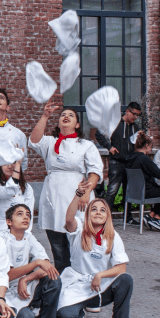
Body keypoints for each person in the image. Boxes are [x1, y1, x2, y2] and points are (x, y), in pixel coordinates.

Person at [29, 101, 103, 273]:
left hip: (77, 196)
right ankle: (62, 278)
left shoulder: (86, 145)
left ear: (77, 124)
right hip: (53, 196)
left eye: (71, 115)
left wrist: (86, 192)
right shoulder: (50, 142)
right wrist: (45, 116)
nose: (66, 117)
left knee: (80, 241)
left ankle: (83, 277)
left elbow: (95, 172)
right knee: (58, 246)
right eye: (63, 115)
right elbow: (34, 141)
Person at [56, 181, 133, 318]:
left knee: (126, 280)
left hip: (99, 284)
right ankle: (78, 316)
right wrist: (79, 194)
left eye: (102, 210)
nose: (98, 212)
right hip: (77, 284)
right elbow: (69, 219)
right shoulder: (79, 230)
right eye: (94, 209)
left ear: (107, 216)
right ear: (87, 214)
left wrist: (100, 275)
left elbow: (121, 268)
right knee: (64, 315)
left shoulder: (113, 236)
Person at [4, 204, 62, 318]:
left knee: (53, 277)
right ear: (9, 221)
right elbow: (7, 276)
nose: (25, 217)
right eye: (20, 214)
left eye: (28, 215)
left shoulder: (29, 237)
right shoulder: (1, 239)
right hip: (4, 291)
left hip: (23, 287)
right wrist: (36, 263)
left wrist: (26, 279)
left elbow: (48, 266)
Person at [95, 102, 142, 225]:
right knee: (112, 191)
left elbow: (138, 144)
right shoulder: (114, 123)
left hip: (130, 163)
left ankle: (128, 218)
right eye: (134, 114)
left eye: (138, 115)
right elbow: (98, 134)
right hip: (116, 162)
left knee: (128, 191)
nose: (135, 117)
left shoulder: (136, 127)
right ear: (127, 111)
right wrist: (109, 147)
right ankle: (105, 218)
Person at [0, 158, 35, 235]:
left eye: (13, 162)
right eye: (5, 163)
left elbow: (29, 211)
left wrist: (26, 233)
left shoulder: (26, 188)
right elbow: (10, 191)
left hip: (20, 230)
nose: (10, 166)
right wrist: (17, 167)